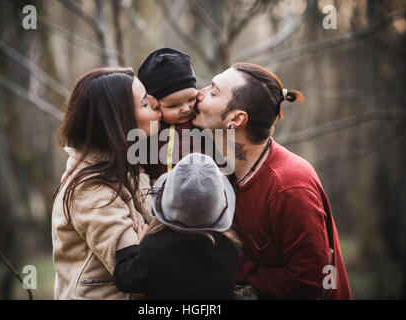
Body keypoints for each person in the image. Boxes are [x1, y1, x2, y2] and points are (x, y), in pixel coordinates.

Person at [192, 62, 351, 299]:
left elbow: (310, 284)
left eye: (213, 92)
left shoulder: (290, 187)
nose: (198, 94)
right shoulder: (226, 171)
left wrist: (239, 268)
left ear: (235, 119)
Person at [51, 67, 162, 300]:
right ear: (119, 122)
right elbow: (133, 274)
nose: (157, 107)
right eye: (144, 104)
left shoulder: (125, 166)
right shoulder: (89, 187)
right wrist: (152, 245)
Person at [112, 153, 241, 300]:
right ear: (218, 205)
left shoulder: (155, 247)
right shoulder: (229, 247)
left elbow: (125, 280)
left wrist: (137, 246)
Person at [138, 48, 199, 182]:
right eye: (173, 106)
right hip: (157, 192)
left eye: (191, 99)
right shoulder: (151, 129)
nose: (185, 109)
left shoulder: (202, 123)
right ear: (155, 103)